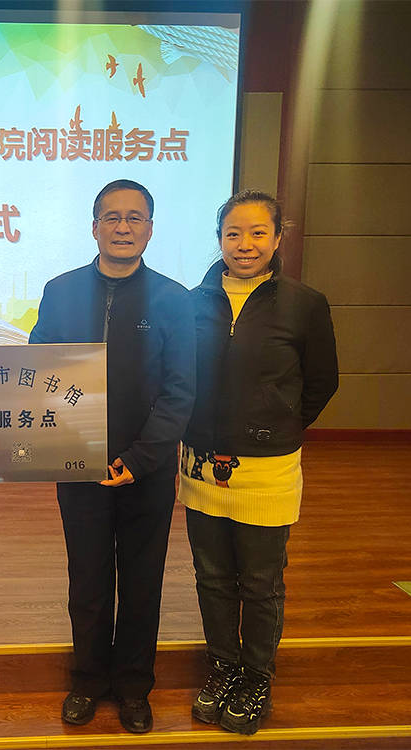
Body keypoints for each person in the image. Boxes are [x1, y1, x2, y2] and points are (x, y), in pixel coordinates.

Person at [29, 179, 196, 734]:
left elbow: (180, 390)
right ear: (94, 226)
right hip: (77, 464)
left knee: (143, 581)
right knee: (89, 580)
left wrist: (140, 459)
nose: (123, 227)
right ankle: (87, 680)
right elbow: (37, 370)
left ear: (150, 228)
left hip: (147, 468)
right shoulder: (60, 291)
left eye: (134, 218)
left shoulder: (174, 299)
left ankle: (133, 686)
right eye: (112, 217)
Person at [180, 189, 339, 736]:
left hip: (269, 467)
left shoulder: (304, 303)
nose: (244, 244)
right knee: (212, 576)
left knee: (261, 580)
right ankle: (223, 667)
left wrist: (276, 424)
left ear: (277, 238)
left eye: (257, 233)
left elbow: (321, 382)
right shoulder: (192, 301)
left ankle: (256, 676)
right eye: (233, 233)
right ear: (219, 238)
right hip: (201, 462)